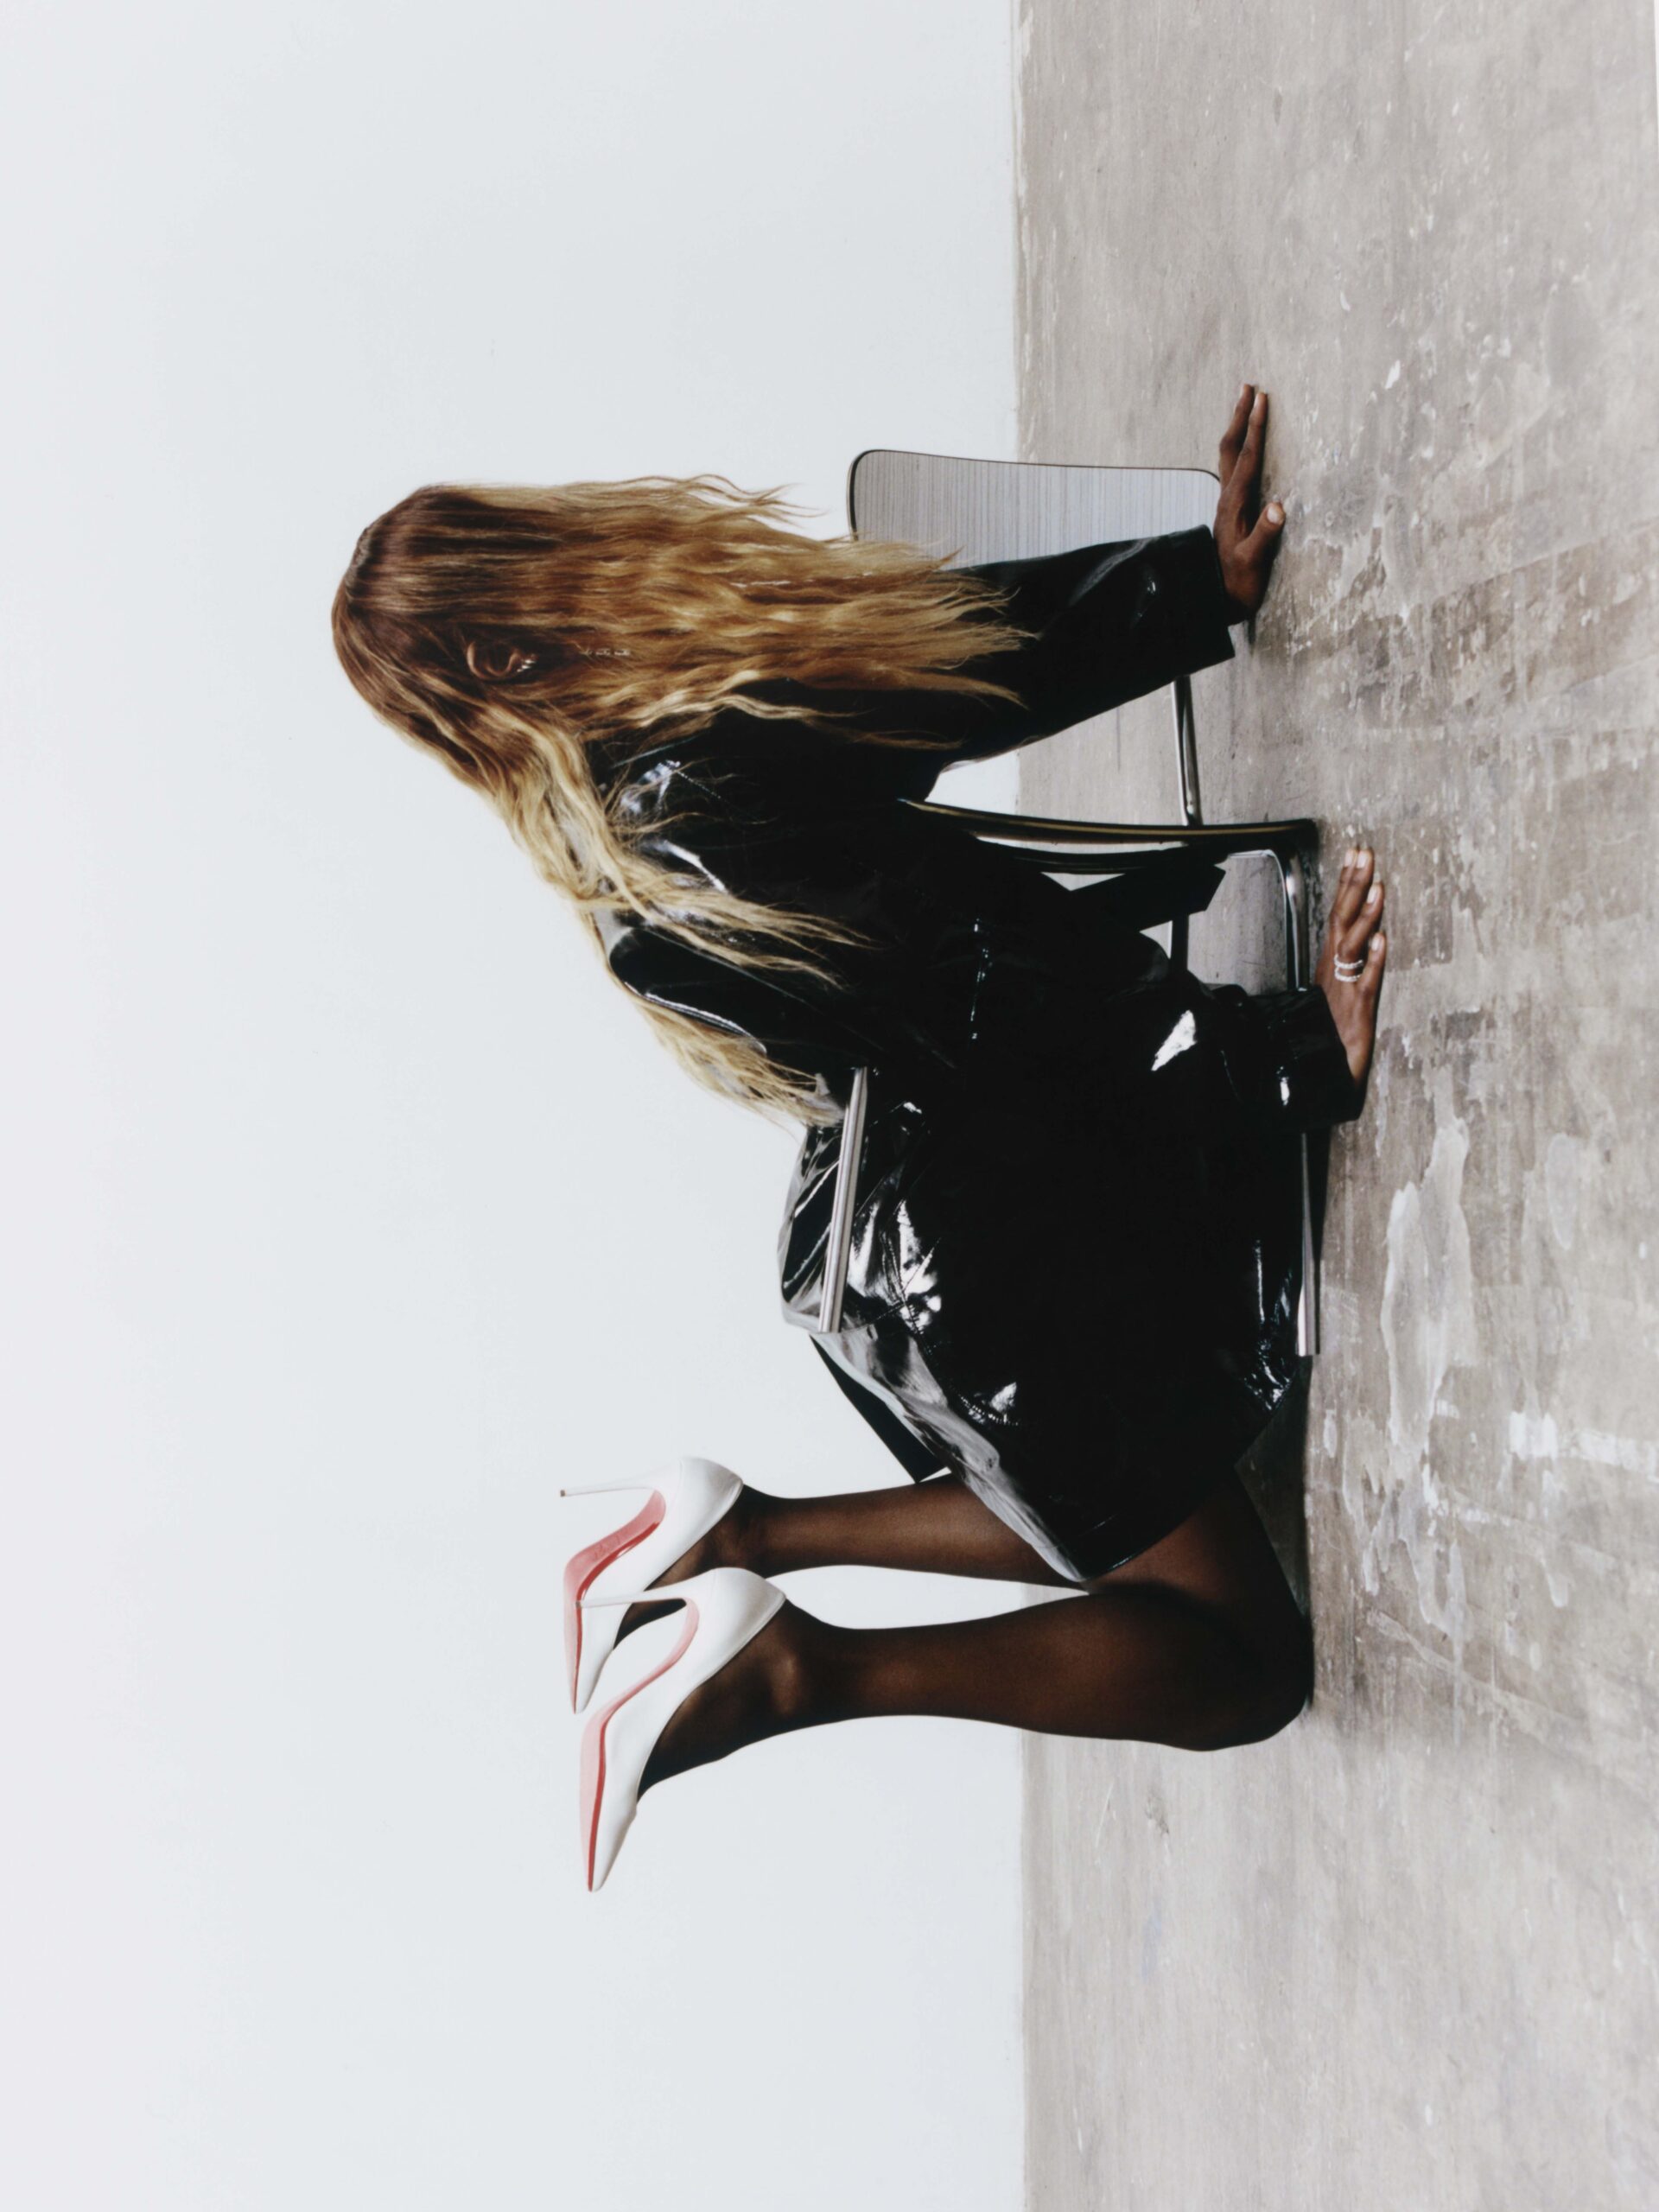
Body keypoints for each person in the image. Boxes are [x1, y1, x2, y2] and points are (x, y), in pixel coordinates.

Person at [334, 387, 1389, 1888]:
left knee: (1101, 1522)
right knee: (1244, 1661)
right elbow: (1015, 1021)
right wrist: (1287, 1058)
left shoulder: (642, 837)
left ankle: (739, 1537)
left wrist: (1185, 584)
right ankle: (794, 1667)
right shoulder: (709, 757)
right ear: (512, 637)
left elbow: (951, 687)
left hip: (899, 1249)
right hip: (999, 1246)